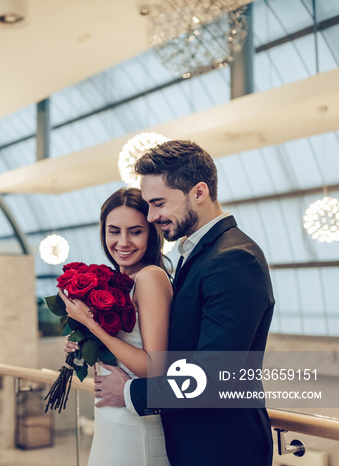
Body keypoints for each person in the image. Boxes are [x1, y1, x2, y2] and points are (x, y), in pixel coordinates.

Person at [94, 140, 275, 466]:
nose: (152, 216)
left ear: (199, 192)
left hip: (222, 447)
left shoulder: (233, 258)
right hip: (195, 441)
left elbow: (214, 375)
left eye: (159, 203)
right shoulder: (200, 253)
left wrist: (128, 393)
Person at [60, 187, 173, 465]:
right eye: (114, 231)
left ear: (151, 233)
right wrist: (85, 341)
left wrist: (91, 324)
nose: (123, 242)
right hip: (111, 418)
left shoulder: (150, 277)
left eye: (135, 231)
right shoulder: (120, 279)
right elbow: (121, 348)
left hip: (136, 425)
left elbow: (155, 367)